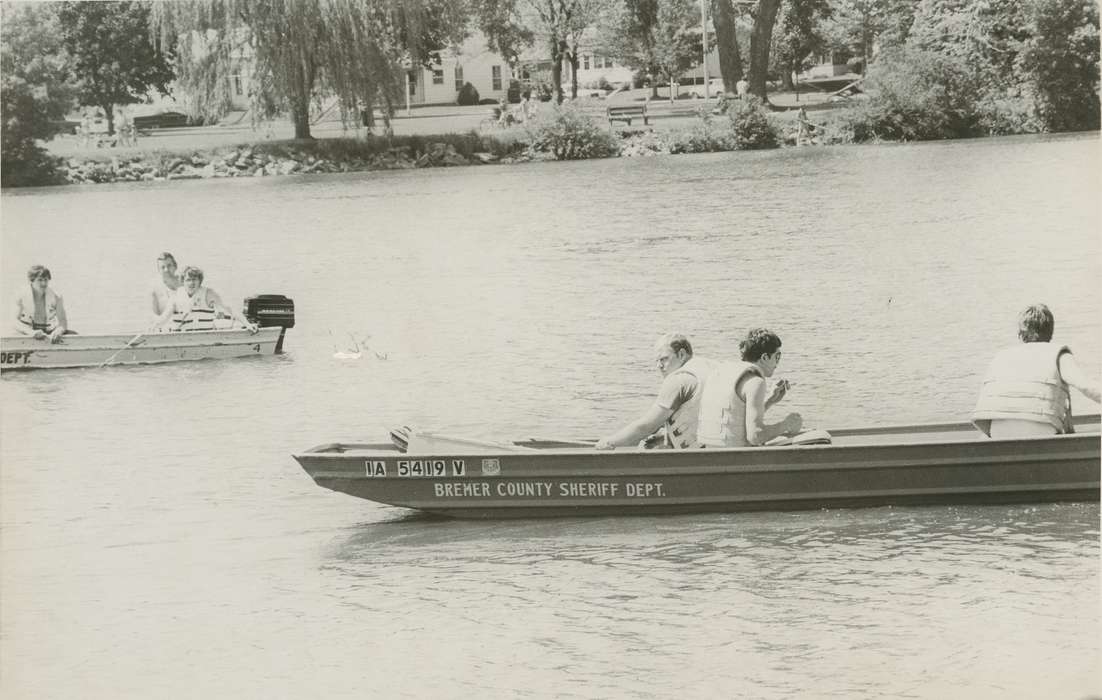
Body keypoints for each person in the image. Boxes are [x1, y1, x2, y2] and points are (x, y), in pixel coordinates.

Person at [972, 304, 1099, 437]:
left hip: (997, 432)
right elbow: (1086, 386)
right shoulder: (1058, 354)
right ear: (1051, 331)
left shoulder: (1001, 356)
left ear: (1020, 334)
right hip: (1041, 432)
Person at [595, 334, 714, 450]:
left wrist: (610, 442)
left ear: (681, 355)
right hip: (723, 449)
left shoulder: (679, 380)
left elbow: (646, 426)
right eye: (657, 361)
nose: (659, 366)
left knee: (644, 447)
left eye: (664, 359)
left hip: (697, 458)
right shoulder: (709, 368)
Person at [697, 328, 802, 447]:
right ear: (764, 358)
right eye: (777, 356)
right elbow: (755, 436)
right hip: (737, 460)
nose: (777, 362)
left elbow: (736, 416)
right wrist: (786, 424)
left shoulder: (722, 372)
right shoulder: (755, 382)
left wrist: (770, 400)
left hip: (708, 455)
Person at [151, 266, 258, 333]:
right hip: (181, 336)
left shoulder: (209, 294)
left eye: (195, 280)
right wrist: (153, 327)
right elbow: (163, 318)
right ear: (183, 281)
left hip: (204, 336)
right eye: (188, 280)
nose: (191, 283)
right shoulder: (175, 297)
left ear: (200, 281)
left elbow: (230, 308)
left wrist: (247, 324)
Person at [13, 265, 72, 343]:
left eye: (46, 279)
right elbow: (14, 321)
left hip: (49, 331)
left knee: (75, 336)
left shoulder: (56, 296)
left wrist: (58, 331)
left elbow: (62, 321)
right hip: (27, 331)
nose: (44, 283)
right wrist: (30, 332)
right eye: (40, 280)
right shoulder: (20, 295)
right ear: (31, 281)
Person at [150, 252, 183, 322]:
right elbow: (154, 316)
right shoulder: (155, 290)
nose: (166, 270)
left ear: (175, 266)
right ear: (159, 270)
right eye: (163, 267)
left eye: (169, 266)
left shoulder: (185, 283)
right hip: (167, 327)